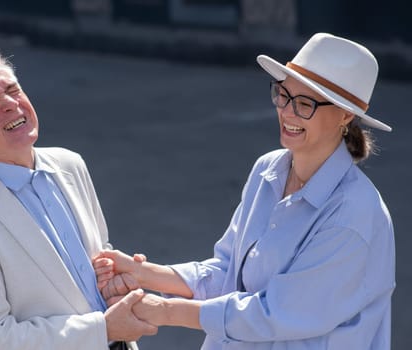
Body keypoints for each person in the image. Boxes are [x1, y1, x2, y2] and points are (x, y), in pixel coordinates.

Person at [94, 33, 396, 349]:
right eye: (283, 94)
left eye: (305, 103)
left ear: (346, 116)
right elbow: (228, 272)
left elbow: (276, 313)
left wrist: (163, 310)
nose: (287, 112)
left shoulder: (354, 215)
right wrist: (142, 273)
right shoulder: (268, 171)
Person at [0, 47, 157, 350]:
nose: (10, 104)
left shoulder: (70, 165)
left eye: (13, 90)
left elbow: (95, 260)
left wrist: (112, 282)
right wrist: (101, 329)